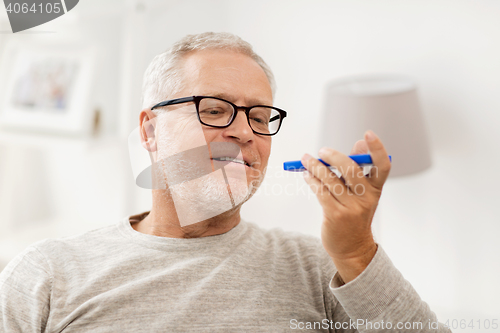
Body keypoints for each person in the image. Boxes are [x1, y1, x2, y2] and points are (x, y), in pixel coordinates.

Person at [0, 32, 450, 332]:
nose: (244, 132)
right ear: (150, 131)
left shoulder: (318, 269)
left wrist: (356, 253)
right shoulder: (48, 274)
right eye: (214, 110)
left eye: (259, 116)